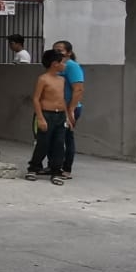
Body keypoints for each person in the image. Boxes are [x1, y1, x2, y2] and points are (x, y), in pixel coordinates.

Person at [27, 49, 70, 184]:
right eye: (62, 62)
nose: (65, 65)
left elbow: (62, 99)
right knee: (43, 143)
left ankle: (56, 170)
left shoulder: (62, 80)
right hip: (47, 114)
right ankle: (33, 167)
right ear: (54, 64)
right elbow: (36, 99)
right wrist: (40, 118)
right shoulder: (43, 79)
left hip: (60, 115)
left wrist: (67, 116)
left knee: (59, 144)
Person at [53, 39, 85, 180]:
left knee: (66, 139)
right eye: (54, 50)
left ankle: (66, 169)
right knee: (55, 139)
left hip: (69, 109)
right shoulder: (57, 66)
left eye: (60, 50)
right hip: (56, 108)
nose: (57, 52)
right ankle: (54, 166)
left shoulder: (72, 66)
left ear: (69, 52)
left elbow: (78, 89)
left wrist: (71, 110)